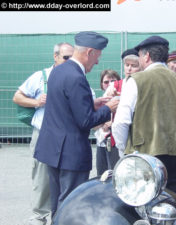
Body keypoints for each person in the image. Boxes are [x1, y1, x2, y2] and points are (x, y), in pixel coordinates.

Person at [33, 31, 119, 218]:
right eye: (97, 56)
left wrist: (92, 103)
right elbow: (86, 121)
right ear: (89, 52)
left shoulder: (59, 70)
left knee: (57, 202)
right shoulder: (77, 77)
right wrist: (109, 108)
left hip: (53, 149)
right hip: (71, 154)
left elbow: (63, 105)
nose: (97, 62)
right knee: (71, 204)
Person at [112, 36, 176, 193]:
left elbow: (121, 122)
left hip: (145, 158)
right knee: (173, 201)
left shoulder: (135, 80)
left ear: (146, 56)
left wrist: (123, 151)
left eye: (139, 56)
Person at [12, 42, 74, 225]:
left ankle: (61, 215)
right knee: (42, 177)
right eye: (66, 57)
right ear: (55, 56)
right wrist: (36, 102)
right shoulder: (41, 77)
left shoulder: (75, 76)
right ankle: (38, 217)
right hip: (44, 134)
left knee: (66, 176)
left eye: (72, 58)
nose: (69, 61)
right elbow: (17, 97)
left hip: (67, 135)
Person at [96, 49, 141, 175]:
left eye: (133, 66)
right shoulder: (115, 86)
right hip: (117, 137)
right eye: (127, 65)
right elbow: (103, 108)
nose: (129, 69)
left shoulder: (142, 83)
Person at [95, 69, 121, 176]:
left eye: (113, 81)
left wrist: (112, 124)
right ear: (102, 84)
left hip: (115, 143)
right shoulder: (98, 101)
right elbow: (93, 125)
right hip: (101, 142)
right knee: (101, 175)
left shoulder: (121, 99)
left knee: (114, 174)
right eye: (106, 82)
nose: (109, 84)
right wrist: (103, 124)